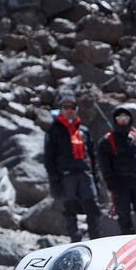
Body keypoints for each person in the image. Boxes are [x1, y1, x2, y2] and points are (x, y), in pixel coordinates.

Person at [44, 92, 102, 243]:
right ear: (61, 109)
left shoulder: (83, 131)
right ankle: (74, 239)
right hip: (66, 175)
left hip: (85, 173)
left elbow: (92, 156)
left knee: (92, 206)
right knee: (69, 207)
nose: (69, 110)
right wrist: (55, 181)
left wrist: (96, 178)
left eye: (72, 107)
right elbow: (49, 159)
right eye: (66, 107)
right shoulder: (54, 131)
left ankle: (95, 238)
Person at [96, 106, 136, 235]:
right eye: (120, 118)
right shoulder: (107, 141)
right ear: (115, 120)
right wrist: (109, 180)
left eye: (126, 118)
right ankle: (128, 241)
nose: (123, 121)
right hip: (119, 185)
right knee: (123, 216)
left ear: (130, 119)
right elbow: (104, 164)